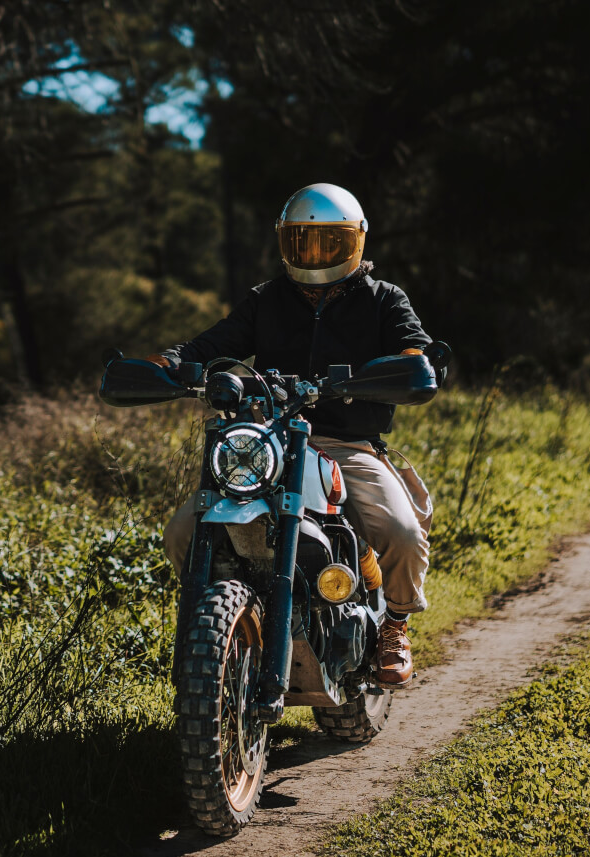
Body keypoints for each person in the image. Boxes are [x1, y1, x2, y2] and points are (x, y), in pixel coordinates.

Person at [147, 182, 434, 687]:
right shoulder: (267, 300)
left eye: (330, 242)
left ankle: (395, 623)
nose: (317, 255)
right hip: (268, 442)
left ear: (356, 242)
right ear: (286, 243)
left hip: (345, 445)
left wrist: (409, 365)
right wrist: (170, 363)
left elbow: (415, 349)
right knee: (182, 533)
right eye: (304, 242)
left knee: (402, 532)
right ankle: (222, 623)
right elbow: (212, 344)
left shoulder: (384, 299)